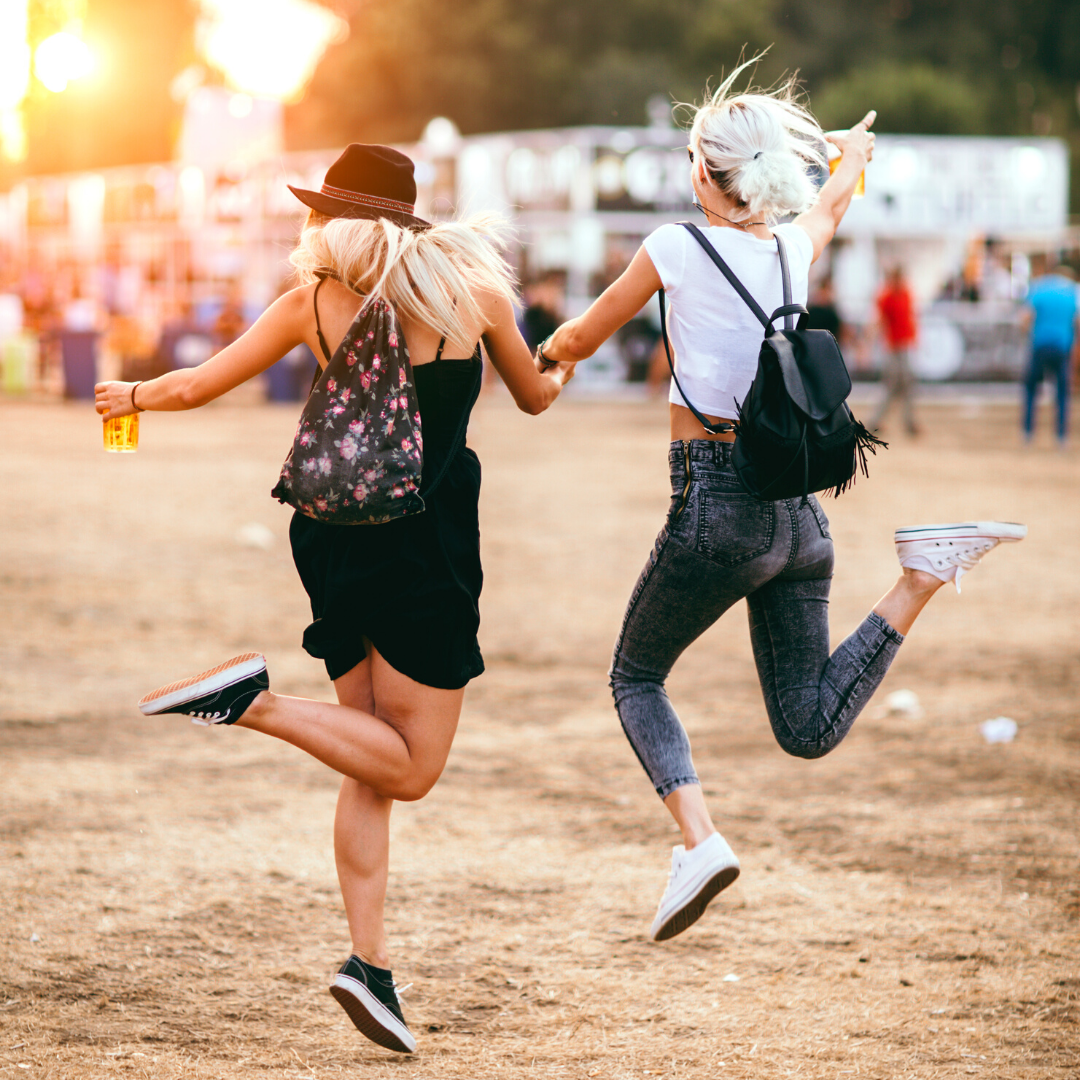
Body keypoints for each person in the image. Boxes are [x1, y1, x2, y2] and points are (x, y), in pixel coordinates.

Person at [95, 144, 576, 1054]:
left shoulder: (312, 303)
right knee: (414, 767)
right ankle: (255, 700)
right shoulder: (473, 294)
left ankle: (370, 966)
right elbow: (535, 397)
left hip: (331, 539)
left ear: (335, 221)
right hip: (425, 548)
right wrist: (563, 366)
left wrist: (130, 396)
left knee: (369, 762)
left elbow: (197, 385)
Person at [536, 61, 1026, 943]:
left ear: (699, 172)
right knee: (804, 726)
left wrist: (551, 359)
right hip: (800, 515)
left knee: (635, 677)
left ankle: (698, 842)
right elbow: (835, 201)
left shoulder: (675, 247)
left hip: (717, 506)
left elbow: (578, 334)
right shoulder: (795, 245)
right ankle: (916, 580)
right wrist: (856, 153)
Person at [1020, 262, 1079, 447]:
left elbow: (1025, 319)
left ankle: (1028, 432)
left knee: (1031, 389)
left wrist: (1030, 335)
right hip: (1062, 347)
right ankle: (1061, 435)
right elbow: (1077, 322)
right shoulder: (1072, 293)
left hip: (1040, 346)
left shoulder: (1039, 289)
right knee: (1062, 392)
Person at [870, 266, 920, 435]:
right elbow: (879, 321)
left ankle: (907, 421)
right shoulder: (886, 296)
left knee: (905, 386)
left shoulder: (905, 293)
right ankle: (877, 420)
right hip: (893, 346)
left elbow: (910, 317)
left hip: (903, 345)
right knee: (893, 386)